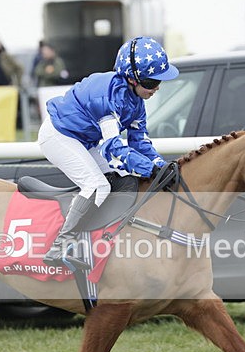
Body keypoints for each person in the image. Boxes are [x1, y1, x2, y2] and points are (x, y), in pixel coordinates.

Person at [37, 36, 179, 268]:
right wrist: (149, 168)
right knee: (97, 185)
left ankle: (94, 239)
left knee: (123, 180)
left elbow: (139, 142)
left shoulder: (136, 103)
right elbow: (112, 146)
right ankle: (60, 245)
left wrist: (160, 165)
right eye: (152, 82)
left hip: (82, 138)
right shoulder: (108, 96)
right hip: (59, 135)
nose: (157, 88)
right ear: (133, 79)